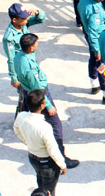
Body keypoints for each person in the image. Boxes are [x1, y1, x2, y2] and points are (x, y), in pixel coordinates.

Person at [14, 34, 79, 169]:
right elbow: (37, 88)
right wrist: (48, 105)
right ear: (31, 47)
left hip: (28, 92)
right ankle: (60, 157)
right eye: (36, 43)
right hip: (39, 95)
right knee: (55, 126)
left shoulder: (19, 56)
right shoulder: (30, 69)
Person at [14, 90, 68, 196]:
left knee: (40, 182)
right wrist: (62, 164)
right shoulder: (44, 127)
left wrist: (26, 141)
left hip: (32, 157)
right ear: (42, 105)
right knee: (48, 190)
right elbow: (52, 150)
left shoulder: (21, 116)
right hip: (47, 162)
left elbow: (16, 129)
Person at [3, 3, 46, 110]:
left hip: (30, 62)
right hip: (22, 69)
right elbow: (11, 59)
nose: (27, 19)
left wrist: (37, 12)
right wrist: (13, 78)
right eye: (23, 17)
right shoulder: (9, 38)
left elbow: (41, 19)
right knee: (26, 96)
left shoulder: (24, 24)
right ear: (14, 20)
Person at [78, 0, 105, 103]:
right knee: (102, 66)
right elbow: (93, 33)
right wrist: (97, 50)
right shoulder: (95, 13)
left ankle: (93, 83)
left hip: (90, 36)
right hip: (98, 40)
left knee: (93, 60)